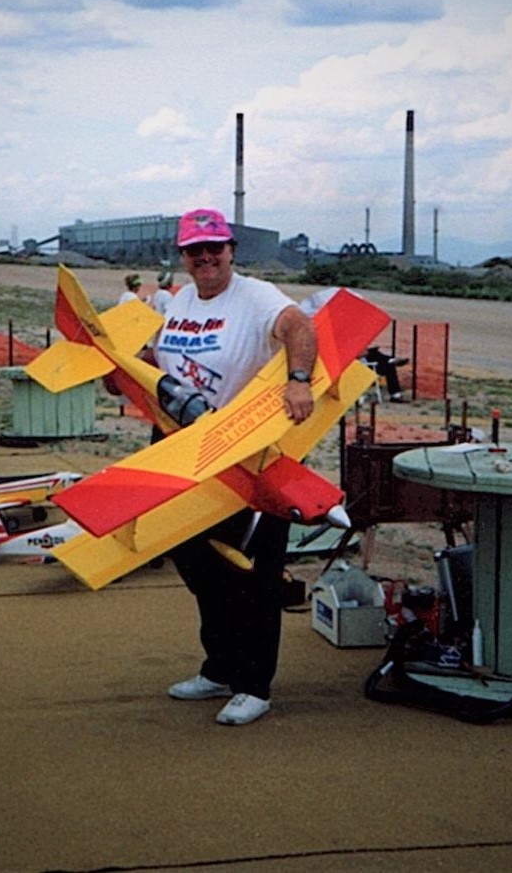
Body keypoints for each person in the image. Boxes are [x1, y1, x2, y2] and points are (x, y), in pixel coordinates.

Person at [154, 208, 317, 726]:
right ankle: (220, 667)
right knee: (197, 562)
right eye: (194, 250)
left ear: (231, 250)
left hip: (249, 456)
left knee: (255, 574)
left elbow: (299, 326)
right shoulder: (179, 300)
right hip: (187, 453)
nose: (206, 258)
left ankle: (254, 685)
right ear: (183, 256)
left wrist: (298, 379)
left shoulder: (255, 296)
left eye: (215, 248)